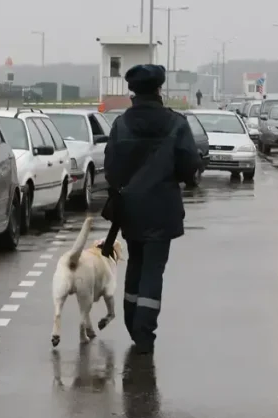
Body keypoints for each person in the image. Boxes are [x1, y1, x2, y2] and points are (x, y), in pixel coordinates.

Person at [101, 64, 202, 355]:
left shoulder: (121, 124)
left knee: (135, 263)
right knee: (153, 270)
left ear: (132, 92)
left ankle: (133, 323)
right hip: (162, 208)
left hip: (130, 209)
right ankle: (144, 333)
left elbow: (111, 168)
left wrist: (125, 189)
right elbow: (189, 166)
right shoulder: (176, 123)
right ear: (159, 89)